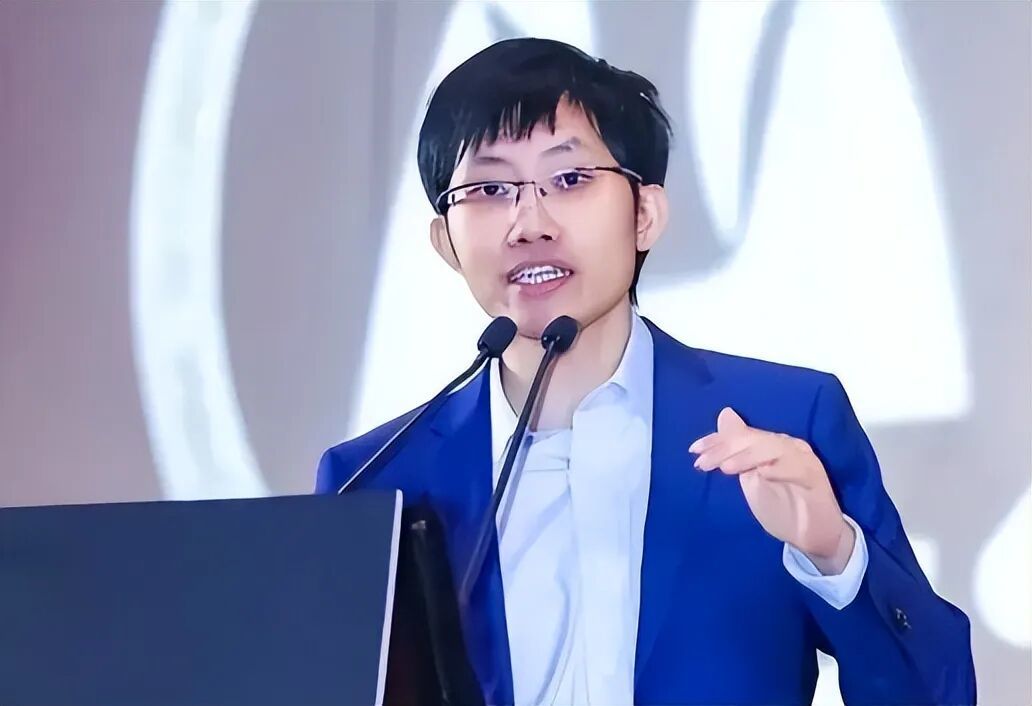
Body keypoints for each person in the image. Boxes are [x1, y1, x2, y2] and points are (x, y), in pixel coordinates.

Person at [316, 38, 975, 705]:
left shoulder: (783, 424)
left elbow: (938, 694)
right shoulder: (374, 480)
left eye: (569, 179)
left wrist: (835, 555)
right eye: (489, 189)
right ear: (445, 241)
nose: (529, 223)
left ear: (645, 214)